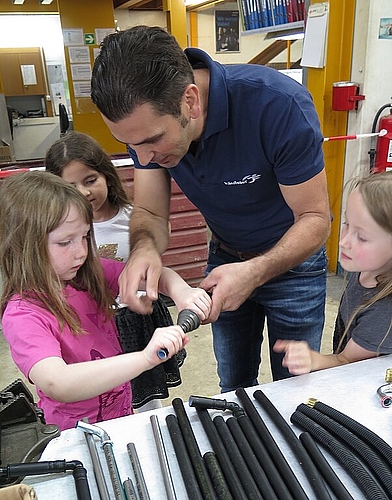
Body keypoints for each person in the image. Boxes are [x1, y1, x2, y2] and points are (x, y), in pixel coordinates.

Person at [90, 25, 331, 389]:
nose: (144, 157)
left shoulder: (278, 105)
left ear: (190, 101)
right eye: (129, 145)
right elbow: (152, 214)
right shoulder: (145, 127)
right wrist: (143, 250)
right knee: (233, 384)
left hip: (295, 263)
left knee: (294, 385)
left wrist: (253, 272)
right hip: (225, 257)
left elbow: (315, 219)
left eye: (153, 140)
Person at [0, 171, 211, 431]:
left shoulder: (87, 276)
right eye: (65, 242)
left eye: (85, 236)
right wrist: (145, 358)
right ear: (23, 246)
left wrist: (181, 292)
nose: (81, 251)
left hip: (120, 415)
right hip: (76, 433)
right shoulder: (23, 315)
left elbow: (151, 274)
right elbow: (58, 382)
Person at [45, 131, 187, 412]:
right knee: (105, 389)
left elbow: (154, 257)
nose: (84, 193)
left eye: (90, 180)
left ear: (107, 175)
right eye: (71, 186)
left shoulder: (134, 217)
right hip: (93, 321)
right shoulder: (63, 230)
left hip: (135, 317)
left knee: (146, 389)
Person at [274, 172, 392, 374]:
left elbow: (349, 363)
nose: (343, 241)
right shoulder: (368, 268)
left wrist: (314, 360)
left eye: (361, 237)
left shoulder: (385, 311)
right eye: (347, 224)